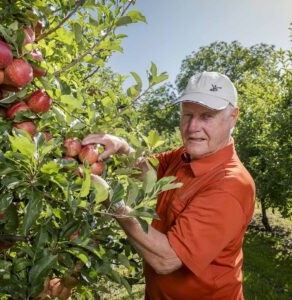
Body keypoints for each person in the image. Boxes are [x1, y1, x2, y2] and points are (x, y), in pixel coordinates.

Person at [43, 71, 255, 300]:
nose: (193, 126)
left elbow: (167, 259)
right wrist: (121, 146)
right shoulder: (184, 156)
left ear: (233, 117)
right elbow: (147, 170)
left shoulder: (230, 186)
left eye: (206, 116)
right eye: (187, 115)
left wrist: (111, 199)